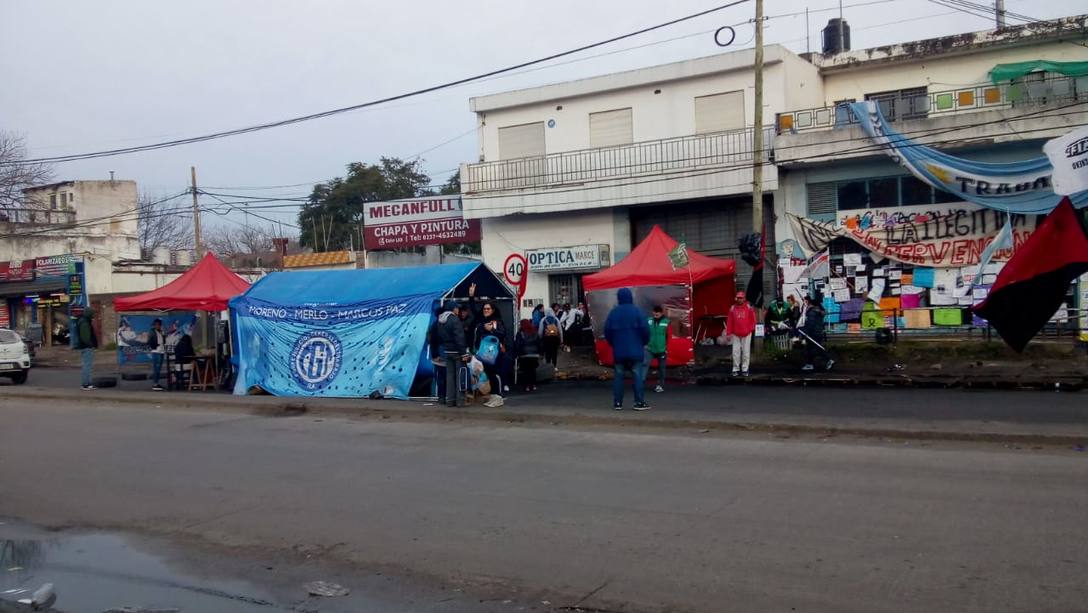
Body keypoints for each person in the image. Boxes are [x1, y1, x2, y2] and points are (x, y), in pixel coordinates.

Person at [604, 287, 650, 411]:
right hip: (636, 350)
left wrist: (614, 343)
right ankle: (639, 402)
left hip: (619, 351)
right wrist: (643, 342)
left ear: (618, 298)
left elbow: (607, 332)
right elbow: (645, 330)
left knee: (619, 376)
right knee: (637, 375)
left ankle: (618, 403)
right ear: (631, 297)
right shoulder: (637, 311)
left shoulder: (613, 313)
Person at [469, 284, 508, 406]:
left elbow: (503, 334)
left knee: (493, 373)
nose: (486, 310)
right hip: (481, 352)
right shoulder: (481, 320)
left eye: (488, 309)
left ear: (493, 310)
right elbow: (474, 310)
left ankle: (498, 395)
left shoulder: (497, 321)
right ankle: (492, 396)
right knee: (485, 373)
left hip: (493, 353)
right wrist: (471, 296)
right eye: (485, 309)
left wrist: (492, 330)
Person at [434, 301, 472, 406]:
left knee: (449, 376)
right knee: (460, 375)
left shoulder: (440, 320)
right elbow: (459, 337)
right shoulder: (455, 320)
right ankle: (460, 401)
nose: (458, 310)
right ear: (453, 309)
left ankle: (450, 400)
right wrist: (464, 353)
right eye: (457, 308)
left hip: (447, 351)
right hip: (457, 352)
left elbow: (439, 336)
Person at [726, 290, 757, 377]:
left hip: (746, 333)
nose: (739, 299)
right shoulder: (732, 308)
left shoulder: (749, 307)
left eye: (741, 298)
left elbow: (753, 320)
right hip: (736, 333)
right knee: (735, 352)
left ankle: (745, 369)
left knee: (746, 352)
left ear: (744, 298)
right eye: (738, 298)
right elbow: (729, 321)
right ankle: (735, 368)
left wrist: (750, 330)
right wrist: (728, 333)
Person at [801, 294, 835, 372]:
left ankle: (828, 360)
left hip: (813, 333)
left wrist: (805, 333)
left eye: (805, 301)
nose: (804, 303)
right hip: (818, 332)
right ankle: (810, 363)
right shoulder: (818, 310)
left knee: (814, 348)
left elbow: (810, 323)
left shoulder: (811, 312)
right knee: (814, 348)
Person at [646, 305, 669, 393]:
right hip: (650, 348)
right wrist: (645, 344)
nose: (656, 314)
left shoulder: (666, 322)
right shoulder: (648, 320)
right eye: (654, 312)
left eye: (657, 313)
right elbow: (644, 332)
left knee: (662, 368)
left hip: (662, 349)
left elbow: (669, 336)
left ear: (661, 313)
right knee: (644, 365)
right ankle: (640, 383)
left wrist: (667, 347)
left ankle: (660, 385)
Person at [514, 319, 541, 392]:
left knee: (525, 371)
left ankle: (527, 386)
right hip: (534, 354)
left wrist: (516, 354)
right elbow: (539, 343)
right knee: (532, 370)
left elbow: (518, 344)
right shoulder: (535, 332)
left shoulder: (520, 333)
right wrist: (540, 352)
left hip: (524, 355)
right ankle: (533, 385)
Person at [74, 307, 98, 390]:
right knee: (87, 365)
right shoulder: (84, 322)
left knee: (88, 365)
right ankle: (85, 384)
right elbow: (85, 337)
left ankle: (88, 383)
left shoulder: (83, 320)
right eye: (92, 314)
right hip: (86, 347)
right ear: (89, 314)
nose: (93, 315)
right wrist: (91, 344)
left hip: (85, 346)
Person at [148, 318, 166, 391]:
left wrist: (163, 335)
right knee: (156, 369)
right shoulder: (152, 331)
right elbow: (150, 341)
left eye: (159, 325)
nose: (158, 326)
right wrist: (155, 346)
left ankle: (157, 383)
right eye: (157, 325)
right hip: (156, 351)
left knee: (159, 369)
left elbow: (163, 341)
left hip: (161, 351)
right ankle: (155, 384)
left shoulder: (161, 332)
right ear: (154, 325)